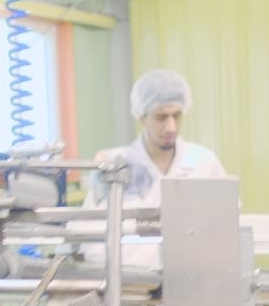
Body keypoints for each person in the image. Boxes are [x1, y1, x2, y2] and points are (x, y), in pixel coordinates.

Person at [86, 68, 227, 207]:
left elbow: (228, 216)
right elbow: (90, 222)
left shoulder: (204, 161)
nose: (171, 127)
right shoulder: (115, 165)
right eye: (161, 117)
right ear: (141, 117)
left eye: (177, 116)